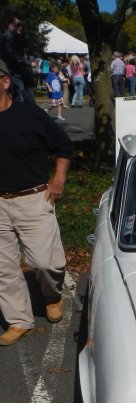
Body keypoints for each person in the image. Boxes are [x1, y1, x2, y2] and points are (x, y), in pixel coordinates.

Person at [0, 58, 73, 346]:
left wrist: (58, 179)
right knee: (3, 268)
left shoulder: (28, 114)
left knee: (45, 263)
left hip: (33, 198)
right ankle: (19, 320)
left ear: (5, 83)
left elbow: (63, 146)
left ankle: (52, 294)